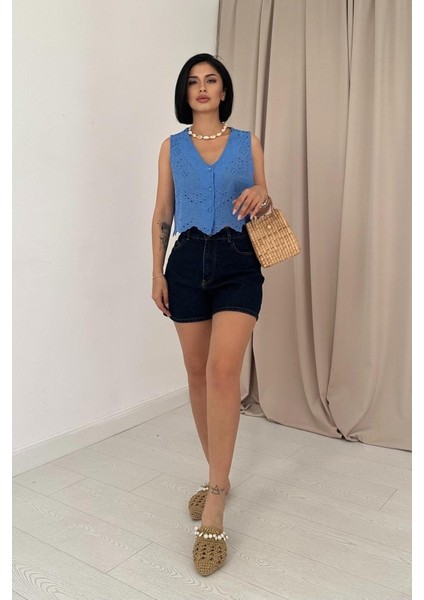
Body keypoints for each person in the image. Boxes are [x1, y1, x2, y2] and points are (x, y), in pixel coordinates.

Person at [151, 53, 271, 576]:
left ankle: (216, 499)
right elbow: (162, 213)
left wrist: (263, 192)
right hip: (184, 264)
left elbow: (263, 205)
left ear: (224, 91)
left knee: (224, 373)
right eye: (194, 82)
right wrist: (156, 272)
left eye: (212, 80)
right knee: (198, 375)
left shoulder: (248, 142)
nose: (202, 88)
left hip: (238, 261)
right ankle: (216, 472)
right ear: (186, 93)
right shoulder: (172, 147)